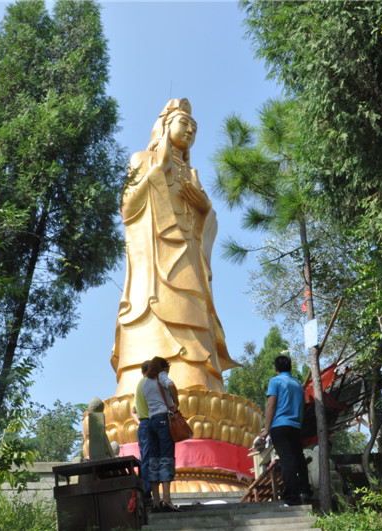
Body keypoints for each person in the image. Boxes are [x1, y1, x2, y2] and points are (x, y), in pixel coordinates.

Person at [111, 98, 238, 397]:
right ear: (166, 125)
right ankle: (137, 381)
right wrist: (157, 172)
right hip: (153, 264)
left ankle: (198, 377)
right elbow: (128, 211)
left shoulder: (192, 176)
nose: (191, 130)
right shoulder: (141, 160)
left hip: (187, 260)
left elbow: (206, 225)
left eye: (195, 127)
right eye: (185, 123)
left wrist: (205, 208)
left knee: (193, 309)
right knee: (148, 311)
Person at [259, 355, 312, 506]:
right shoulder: (297, 385)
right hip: (295, 427)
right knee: (299, 459)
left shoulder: (275, 381)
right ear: (290, 367)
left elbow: (271, 405)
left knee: (287, 461)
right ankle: (305, 490)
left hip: (279, 427)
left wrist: (266, 429)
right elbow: (302, 408)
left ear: (276, 368)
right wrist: (298, 424)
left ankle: (292, 499)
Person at [141, 356, 182, 512]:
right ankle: (167, 499)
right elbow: (170, 384)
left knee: (154, 460)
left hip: (150, 422)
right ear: (163, 368)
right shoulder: (162, 376)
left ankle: (156, 501)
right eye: (167, 368)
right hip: (163, 420)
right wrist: (175, 402)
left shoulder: (145, 384)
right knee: (166, 458)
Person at [130, 360, 153, 506]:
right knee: (148, 461)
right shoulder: (149, 384)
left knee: (144, 459)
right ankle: (146, 495)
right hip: (150, 424)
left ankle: (145, 493)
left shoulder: (139, 384)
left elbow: (132, 411)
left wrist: (140, 422)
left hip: (143, 425)